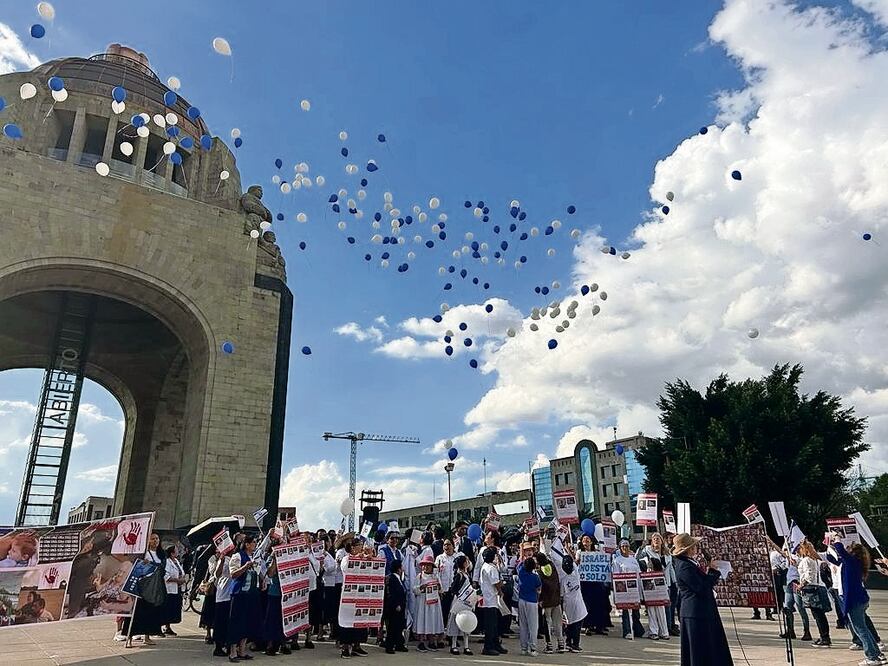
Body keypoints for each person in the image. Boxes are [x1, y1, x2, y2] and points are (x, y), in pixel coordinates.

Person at [672, 533, 733, 666]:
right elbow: (701, 587)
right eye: (694, 546)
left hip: (701, 611)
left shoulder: (689, 563)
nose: (696, 548)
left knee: (707, 647)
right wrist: (713, 572)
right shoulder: (684, 566)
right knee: (698, 650)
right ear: (688, 549)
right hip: (695, 613)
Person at [826, 538, 885, 665]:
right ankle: (877, 654)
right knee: (864, 629)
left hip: (855, 601)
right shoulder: (851, 562)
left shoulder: (852, 562)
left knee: (860, 630)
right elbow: (832, 559)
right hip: (859, 600)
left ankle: (872, 657)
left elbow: (841, 550)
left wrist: (837, 539)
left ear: (852, 553)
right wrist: (829, 546)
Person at [125, 532, 166, 649]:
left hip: (155, 588)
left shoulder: (161, 554)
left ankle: (147, 636)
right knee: (136, 612)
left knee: (150, 612)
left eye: (157, 538)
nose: (155, 541)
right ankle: (129, 637)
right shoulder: (143, 553)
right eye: (153, 539)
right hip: (143, 586)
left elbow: (163, 569)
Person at [228, 535, 260, 662]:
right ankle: (232, 652)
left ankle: (242, 650)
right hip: (239, 594)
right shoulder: (237, 556)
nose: (255, 544)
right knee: (236, 622)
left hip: (251, 594)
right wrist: (245, 566)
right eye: (253, 542)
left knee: (247, 623)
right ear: (247, 544)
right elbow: (233, 574)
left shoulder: (253, 557)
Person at [338, 538, 371, 659]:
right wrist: (358, 557)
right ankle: (345, 647)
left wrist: (370, 557)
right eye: (359, 545)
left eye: (361, 545)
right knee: (347, 620)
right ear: (352, 548)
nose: (361, 547)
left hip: (361, 593)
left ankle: (357, 645)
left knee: (360, 619)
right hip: (349, 594)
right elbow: (347, 568)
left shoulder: (363, 557)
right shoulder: (346, 558)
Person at [797, 540, 831, 647]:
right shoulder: (815, 560)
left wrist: (801, 585)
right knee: (820, 615)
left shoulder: (807, 560)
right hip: (819, 586)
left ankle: (824, 637)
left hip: (811, 588)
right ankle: (824, 636)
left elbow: (809, 575)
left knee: (818, 615)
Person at [638, 533, 671, 640]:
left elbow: (668, 569)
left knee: (661, 608)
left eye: (658, 538)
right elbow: (639, 560)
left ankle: (664, 632)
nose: (656, 540)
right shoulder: (647, 550)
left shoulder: (667, 554)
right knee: (651, 608)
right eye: (654, 539)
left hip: (662, 583)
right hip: (649, 583)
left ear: (662, 541)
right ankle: (653, 631)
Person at [556, 543, 586, 652]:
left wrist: (566, 550)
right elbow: (573, 562)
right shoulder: (576, 574)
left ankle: (568, 642)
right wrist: (567, 550)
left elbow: (561, 594)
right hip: (577, 603)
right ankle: (575, 645)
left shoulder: (563, 579)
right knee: (577, 625)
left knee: (570, 624)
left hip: (567, 604)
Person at [612, 539, 644, 640]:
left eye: (627, 546)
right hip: (624, 589)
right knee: (625, 611)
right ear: (620, 548)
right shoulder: (617, 560)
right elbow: (616, 575)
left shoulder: (633, 559)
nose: (625, 548)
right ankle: (627, 631)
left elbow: (638, 572)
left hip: (635, 588)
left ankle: (638, 630)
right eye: (623, 546)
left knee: (636, 611)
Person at [479, 546, 507, 656]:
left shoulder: (485, 566)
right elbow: (496, 582)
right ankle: (488, 646)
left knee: (494, 625)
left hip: (489, 599)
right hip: (490, 600)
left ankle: (495, 644)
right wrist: (502, 586)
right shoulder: (491, 568)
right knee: (491, 625)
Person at [413, 553, 444, 652]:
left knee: (432, 620)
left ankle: (431, 641)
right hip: (423, 601)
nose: (426, 567)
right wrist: (422, 587)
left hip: (433, 602)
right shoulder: (420, 577)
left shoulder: (435, 576)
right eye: (424, 565)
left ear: (432, 566)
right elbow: (414, 589)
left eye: (428, 565)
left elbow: (441, 589)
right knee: (422, 619)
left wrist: (438, 587)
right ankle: (421, 641)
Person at [780, 547, 812, 641]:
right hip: (789, 583)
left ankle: (806, 631)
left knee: (800, 607)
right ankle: (790, 630)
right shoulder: (791, 557)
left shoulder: (802, 559)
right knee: (787, 607)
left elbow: (783, 553)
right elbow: (783, 553)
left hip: (797, 583)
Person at [446, 554, 474, 655]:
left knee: (467, 623)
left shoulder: (466, 575)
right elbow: (454, 588)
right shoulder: (459, 575)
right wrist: (458, 596)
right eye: (466, 561)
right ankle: (453, 645)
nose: (468, 563)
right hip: (459, 601)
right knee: (456, 622)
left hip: (467, 602)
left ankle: (466, 646)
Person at [536, 551, 563, 653]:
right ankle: (561, 644)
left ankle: (549, 645)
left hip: (546, 601)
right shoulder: (552, 566)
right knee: (558, 623)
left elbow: (541, 587)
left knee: (547, 622)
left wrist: (540, 599)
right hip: (556, 599)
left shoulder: (540, 572)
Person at [516, 555, 541, 656]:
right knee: (533, 625)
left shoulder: (521, 573)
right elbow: (538, 589)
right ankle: (533, 648)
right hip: (532, 601)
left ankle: (523, 648)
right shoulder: (535, 577)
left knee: (523, 625)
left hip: (521, 600)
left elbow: (520, 563)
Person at [383, 559, 408, 654]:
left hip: (401, 606)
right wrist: (396, 604)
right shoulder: (390, 578)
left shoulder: (399, 578)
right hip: (394, 607)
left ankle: (399, 644)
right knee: (392, 627)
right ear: (398, 568)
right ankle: (389, 646)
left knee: (399, 626)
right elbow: (390, 594)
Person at [162, 545, 186, 636]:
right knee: (167, 608)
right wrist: (178, 580)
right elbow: (166, 576)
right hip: (169, 589)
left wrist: (182, 579)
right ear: (172, 553)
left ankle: (168, 627)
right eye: (176, 551)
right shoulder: (167, 562)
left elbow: (181, 572)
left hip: (177, 589)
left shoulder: (176, 561)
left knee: (173, 609)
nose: (178, 552)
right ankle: (163, 626)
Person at [436, 539, 456, 637]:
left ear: (453, 546)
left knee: (452, 613)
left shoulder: (457, 557)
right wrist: (440, 589)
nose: (446, 547)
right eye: (444, 545)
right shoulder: (440, 558)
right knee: (443, 612)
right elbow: (437, 574)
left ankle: (451, 635)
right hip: (443, 590)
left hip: (454, 590)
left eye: (448, 544)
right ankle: (442, 635)